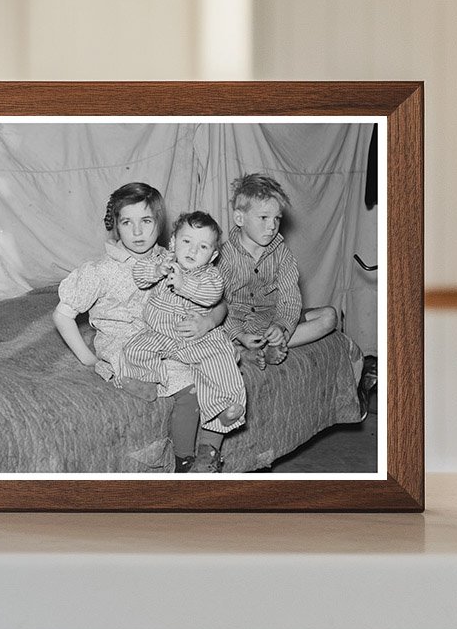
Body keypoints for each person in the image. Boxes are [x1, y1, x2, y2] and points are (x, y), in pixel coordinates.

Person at [52, 185, 227, 467]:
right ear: (116, 227)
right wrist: (88, 357)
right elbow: (62, 315)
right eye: (126, 222)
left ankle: (207, 454)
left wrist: (208, 321)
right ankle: (185, 460)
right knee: (187, 383)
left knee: (217, 374)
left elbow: (217, 301)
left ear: (159, 223)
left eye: (145, 221)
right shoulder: (100, 271)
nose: (137, 232)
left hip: (169, 338)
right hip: (126, 344)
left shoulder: (176, 257)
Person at [120, 211, 246, 473]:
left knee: (221, 360)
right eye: (186, 242)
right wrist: (156, 269)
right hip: (163, 335)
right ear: (173, 242)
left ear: (212, 255)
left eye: (202, 247)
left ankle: (226, 407)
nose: (192, 250)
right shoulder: (162, 260)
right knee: (134, 348)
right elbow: (139, 273)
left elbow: (212, 295)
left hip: (196, 338)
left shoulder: (210, 275)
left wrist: (184, 282)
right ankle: (145, 382)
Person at [219, 173, 336, 373]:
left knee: (329, 317)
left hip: (271, 321)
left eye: (277, 218)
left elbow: (290, 299)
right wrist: (239, 334)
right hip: (238, 328)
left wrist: (281, 327)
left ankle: (268, 347)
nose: (272, 226)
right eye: (264, 217)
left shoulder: (282, 253)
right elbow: (220, 306)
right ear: (239, 218)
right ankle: (244, 349)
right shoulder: (224, 257)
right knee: (212, 334)